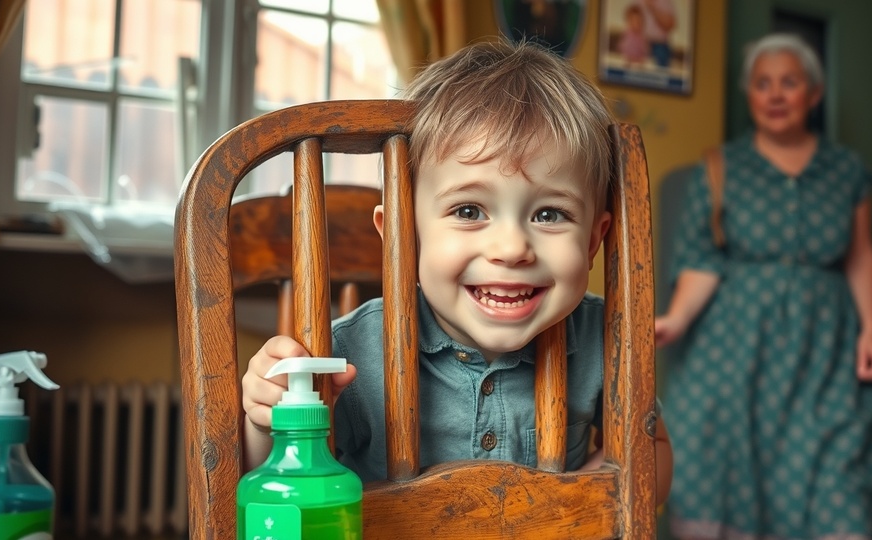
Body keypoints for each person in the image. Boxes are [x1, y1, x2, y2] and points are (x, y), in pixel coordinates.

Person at [241, 39, 673, 504]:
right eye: (469, 210)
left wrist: (574, 505)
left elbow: (649, 453)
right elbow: (271, 484)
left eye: (549, 215)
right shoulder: (348, 354)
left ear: (592, 242)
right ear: (404, 236)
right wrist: (267, 419)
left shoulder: (603, 338)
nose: (511, 249)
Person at [655, 33, 872, 539]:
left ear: (814, 93)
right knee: (719, 462)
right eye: (763, 84)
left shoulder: (846, 171)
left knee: (838, 472)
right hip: (735, 353)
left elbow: (861, 255)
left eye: (790, 82)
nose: (776, 94)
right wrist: (675, 319)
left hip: (824, 353)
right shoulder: (718, 168)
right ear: (749, 95)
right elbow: (701, 262)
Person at [637, 0, 677, 69]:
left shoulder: (665, 2)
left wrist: (653, 8)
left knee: (660, 73)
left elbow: (670, 25)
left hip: (659, 45)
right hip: (639, 43)